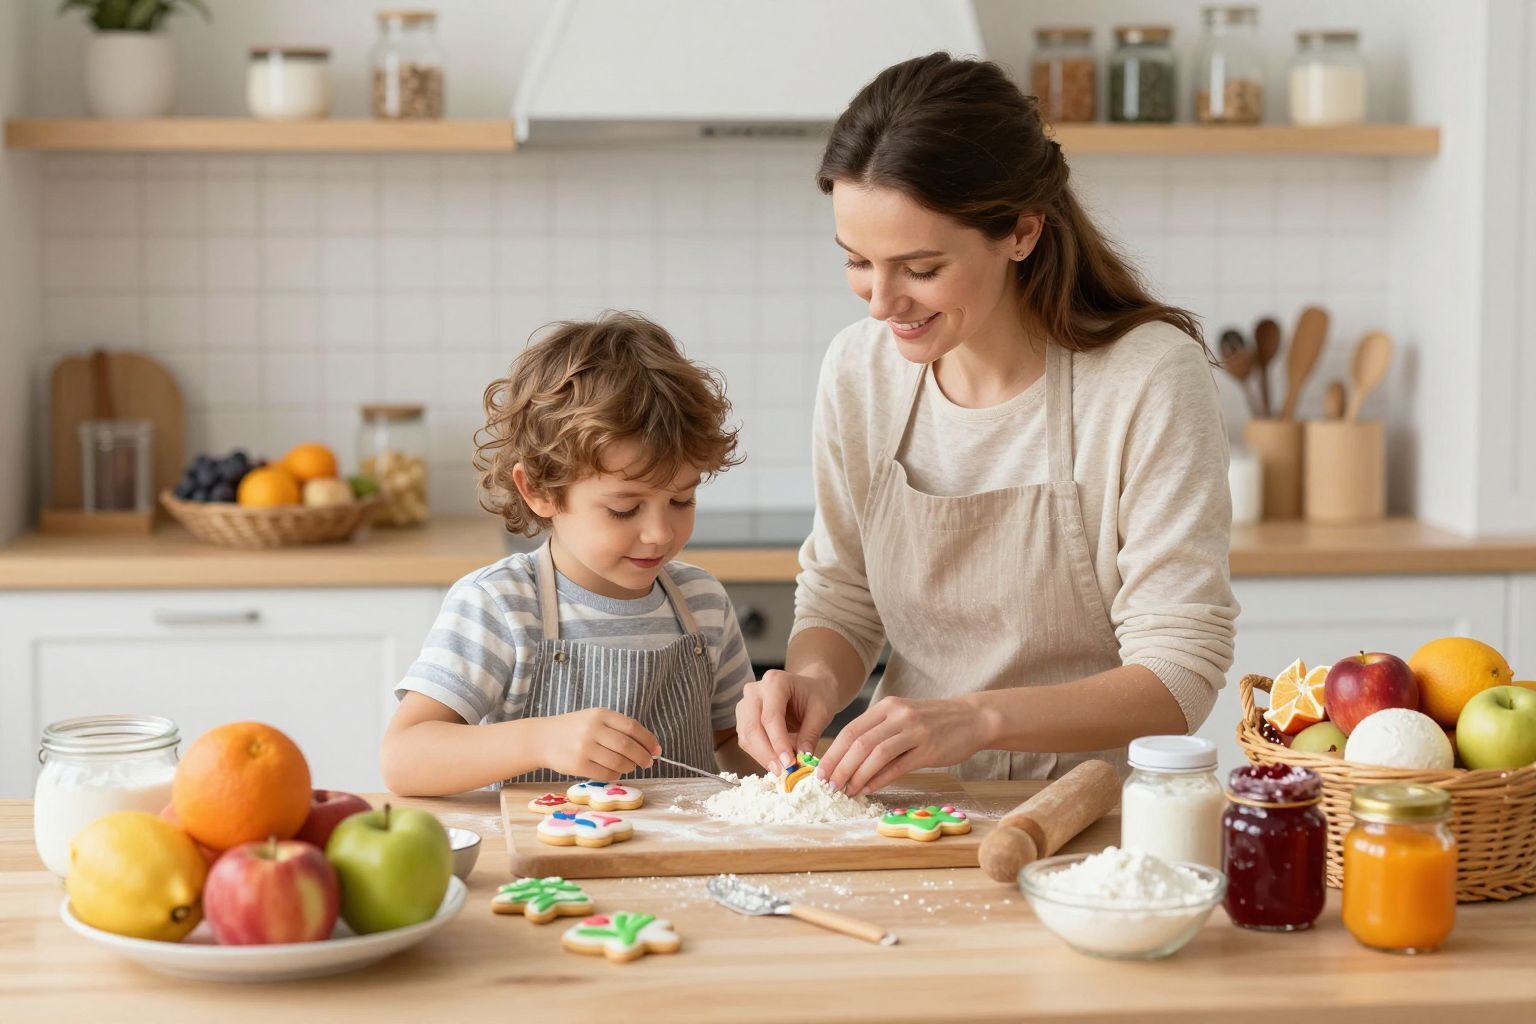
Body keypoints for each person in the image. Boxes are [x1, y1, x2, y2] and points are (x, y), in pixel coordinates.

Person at [735, 53, 1239, 795]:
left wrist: (975, 719)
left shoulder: (1146, 379)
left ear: (1022, 233)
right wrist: (809, 680)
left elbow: (1179, 672)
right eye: (857, 262)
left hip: (1092, 819)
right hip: (908, 808)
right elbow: (843, 594)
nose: (880, 303)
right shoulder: (859, 370)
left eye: (921, 268)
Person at [382, 312, 757, 795]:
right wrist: (537, 740)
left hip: (684, 861)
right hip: (551, 864)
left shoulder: (701, 601)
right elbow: (402, 758)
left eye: (682, 500)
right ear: (539, 490)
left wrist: (787, 761)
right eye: (624, 509)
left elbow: (729, 740)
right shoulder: (501, 605)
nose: (660, 533)